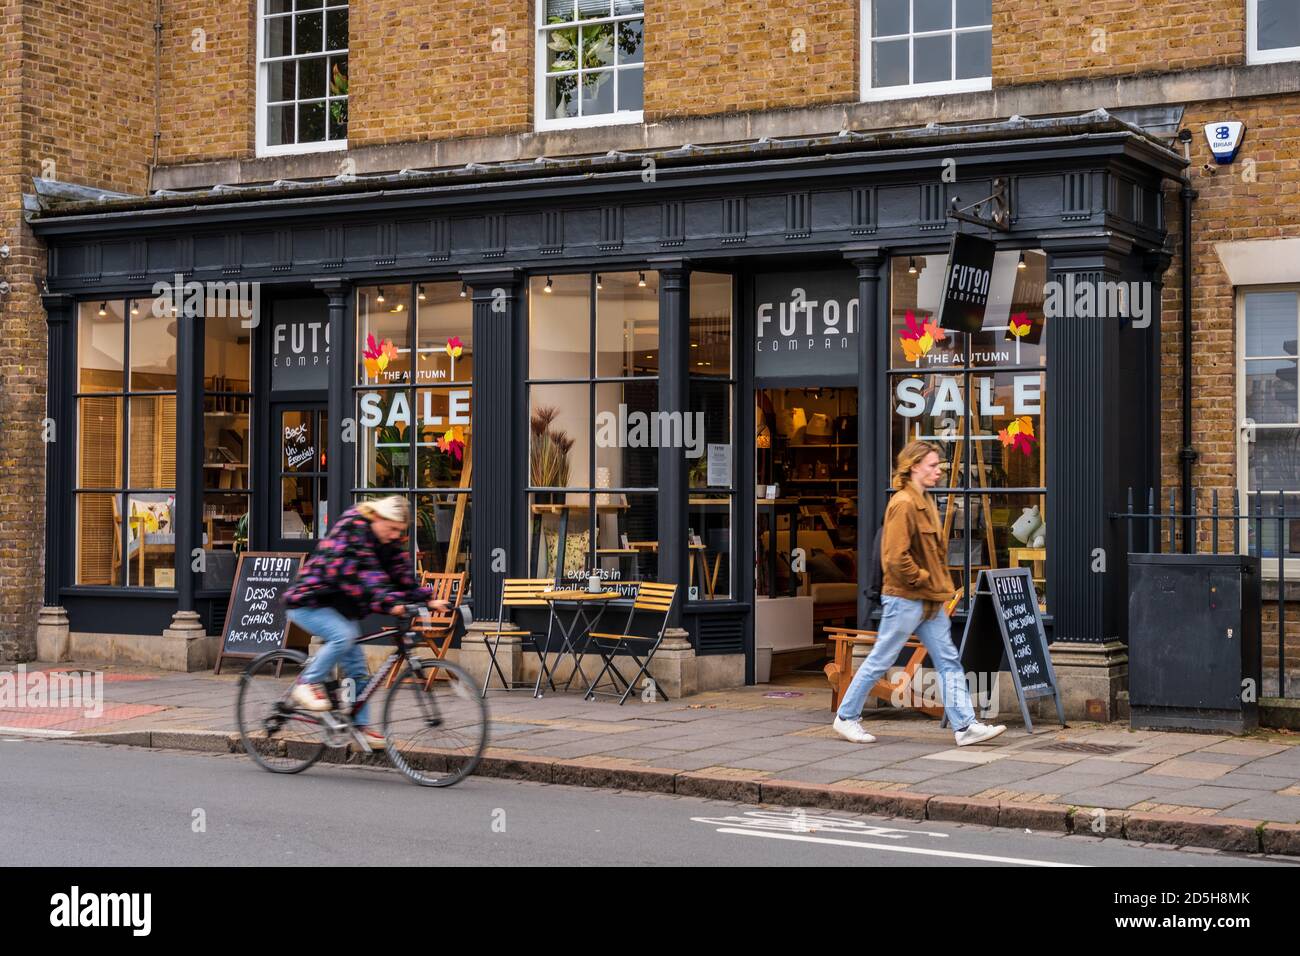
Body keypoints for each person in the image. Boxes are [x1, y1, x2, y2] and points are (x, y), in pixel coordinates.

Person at [832, 440, 1007, 747]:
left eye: (938, 465)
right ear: (914, 467)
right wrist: (923, 579)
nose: (938, 471)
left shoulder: (923, 501)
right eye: (932, 465)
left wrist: (933, 587)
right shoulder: (903, 503)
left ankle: (965, 726)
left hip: (927, 599)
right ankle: (846, 717)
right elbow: (895, 558)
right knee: (881, 658)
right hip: (905, 598)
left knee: (949, 660)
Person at [283, 495, 446, 745]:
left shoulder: (384, 538)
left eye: (399, 532)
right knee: (344, 637)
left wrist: (426, 598)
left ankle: (361, 728)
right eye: (392, 529)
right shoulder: (354, 527)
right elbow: (366, 576)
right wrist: (391, 603)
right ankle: (306, 683)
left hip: (341, 608)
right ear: (379, 517)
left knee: (358, 671)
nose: (394, 535)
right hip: (310, 601)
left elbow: (399, 571)